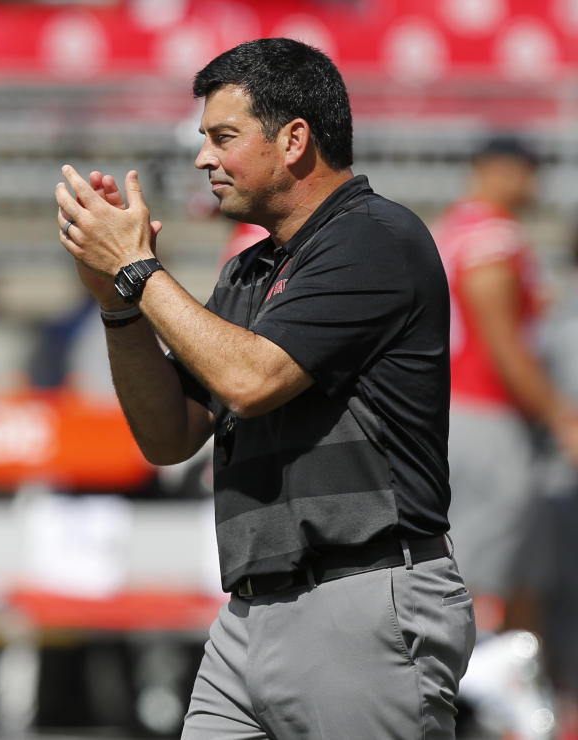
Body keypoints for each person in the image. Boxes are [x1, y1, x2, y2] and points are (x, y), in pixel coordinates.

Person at [55, 38, 475, 739]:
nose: (202, 158)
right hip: (250, 614)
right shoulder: (249, 272)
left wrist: (137, 269)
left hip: (360, 599)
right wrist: (118, 304)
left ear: (294, 140)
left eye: (222, 136)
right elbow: (167, 437)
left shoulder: (374, 237)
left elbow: (250, 380)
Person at [433, 137, 578, 630]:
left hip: (461, 409)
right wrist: (560, 415)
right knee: (487, 566)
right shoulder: (490, 236)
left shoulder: (457, 227)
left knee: (485, 557)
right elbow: (503, 343)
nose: (533, 184)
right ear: (499, 170)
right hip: (485, 411)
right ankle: (469, 689)